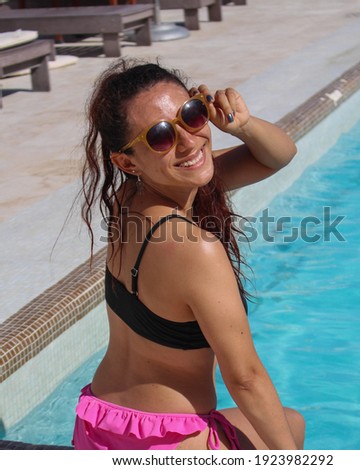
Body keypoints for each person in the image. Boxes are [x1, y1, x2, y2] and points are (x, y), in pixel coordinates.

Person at [73, 58, 305, 450]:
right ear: (126, 161)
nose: (188, 142)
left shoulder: (128, 198)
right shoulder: (194, 249)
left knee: (292, 422)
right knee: (288, 437)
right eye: (161, 137)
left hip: (100, 422)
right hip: (167, 440)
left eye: (191, 116)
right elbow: (245, 378)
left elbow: (278, 155)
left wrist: (241, 124)